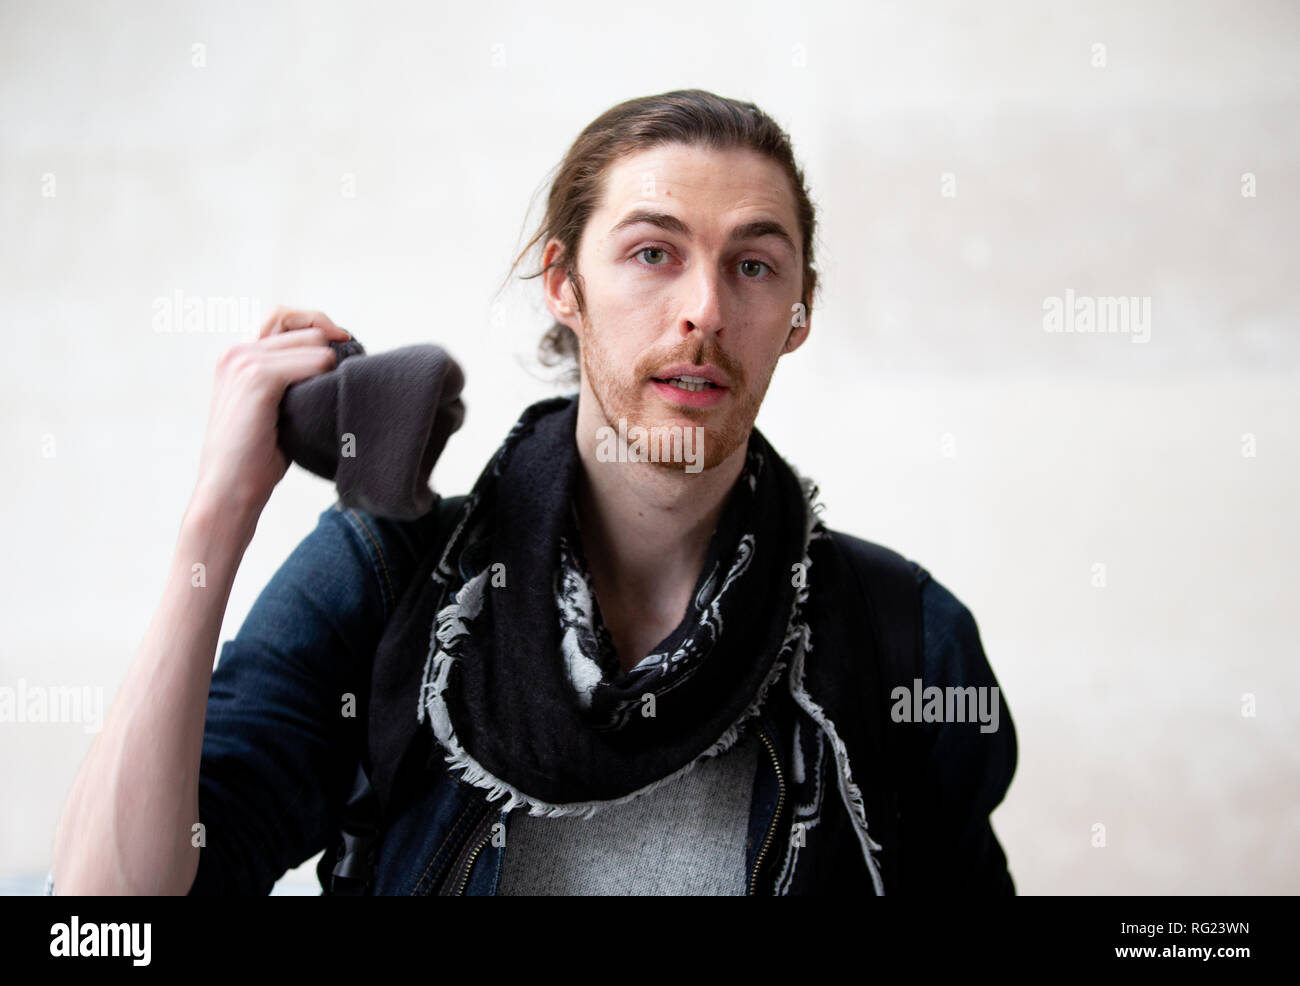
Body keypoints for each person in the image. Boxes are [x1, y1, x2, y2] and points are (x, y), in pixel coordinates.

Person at [48, 88, 1017, 896]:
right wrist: (216, 513)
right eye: (652, 252)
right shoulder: (389, 583)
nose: (706, 310)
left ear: (796, 314)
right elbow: (109, 917)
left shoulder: (902, 634)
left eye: (753, 266)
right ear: (562, 281)